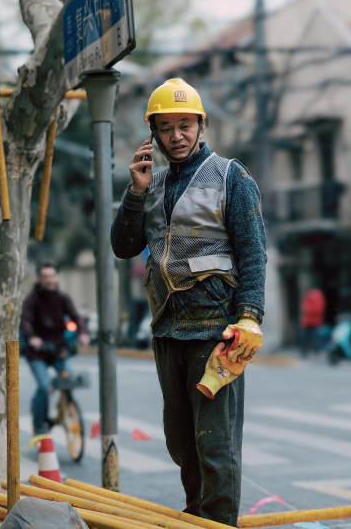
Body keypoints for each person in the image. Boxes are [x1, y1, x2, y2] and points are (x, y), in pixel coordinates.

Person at [110, 78, 266, 525]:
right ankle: (197, 516)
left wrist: (250, 317)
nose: (176, 135)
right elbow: (123, 246)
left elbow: (253, 252)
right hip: (167, 329)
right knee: (181, 442)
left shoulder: (230, 177)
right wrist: (135, 192)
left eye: (184, 125)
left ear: (202, 125)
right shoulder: (152, 184)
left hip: (217, 331)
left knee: (215, 445)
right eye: (165, 127)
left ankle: (218, 522)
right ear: (153, 135)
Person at [19, 263, 91, 436]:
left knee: (69, 380)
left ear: (56, 277)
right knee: (44, 387)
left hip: (59, 350)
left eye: (51, 276)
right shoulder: (32, 299)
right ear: (39, 279)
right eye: (45, 276)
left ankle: (65, 407)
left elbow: (76, 316)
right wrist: (32, 338)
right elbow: (25, 322)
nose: (49, 280)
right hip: (38, 352)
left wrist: (83, 333)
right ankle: (40, 423)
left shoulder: (62, 297)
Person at [299, 288, 326, 357]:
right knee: (306, 338)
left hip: (314, 322)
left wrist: (307, 308)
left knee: (314, 337)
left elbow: (317, 309)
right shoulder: (308, 298)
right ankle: (305, 352)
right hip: (307, 322)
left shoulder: (315, 297)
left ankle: (316, 350)